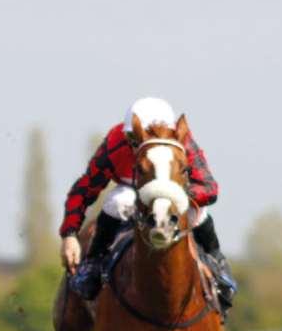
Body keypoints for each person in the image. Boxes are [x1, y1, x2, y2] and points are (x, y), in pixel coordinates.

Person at [59, 97, 236, 313]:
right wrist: (69, 234)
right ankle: (93, 263)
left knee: (199, 213)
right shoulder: (116, 141)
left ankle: (218, 264)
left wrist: (177, 194)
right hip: (134, 189)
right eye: (133, 138)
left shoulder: (182, 140)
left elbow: (209, 187)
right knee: (117, 201)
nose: (134, 145)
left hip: (175, 193)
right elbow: (85, 189)